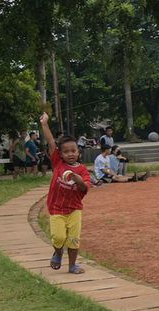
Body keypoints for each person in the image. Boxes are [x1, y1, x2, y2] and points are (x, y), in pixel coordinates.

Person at [39, 112, 92, 274]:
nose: (70, 154)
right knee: (59, 237)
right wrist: (44, 124)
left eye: (73, 151)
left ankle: (72, 265)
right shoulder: (58, 163)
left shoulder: (83, 170)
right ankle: (57, 252)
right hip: (56, 208)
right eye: (66, 151)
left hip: (74, 209)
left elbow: (85, 188)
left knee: (74, 240)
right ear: (60, 154)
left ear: (78, 152)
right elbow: (50, 141)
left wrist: (79, 180)